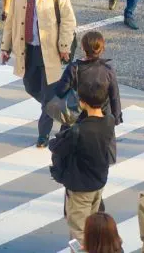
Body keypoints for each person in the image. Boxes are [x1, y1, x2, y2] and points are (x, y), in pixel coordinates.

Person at [1, 0, 78, 147]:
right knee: (32, 87)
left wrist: (64, 46)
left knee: (48, 96)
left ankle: (43, 135)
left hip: (51, 52)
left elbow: (68, 22)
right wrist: (5, 47)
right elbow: (10, 24)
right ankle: (66, 114)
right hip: (29, 52)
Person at [50, 80, 116, 243]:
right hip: (98, 182)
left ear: (82, 102)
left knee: (79, 232)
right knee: (93, 227)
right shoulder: (109, 121)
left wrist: (68, 125)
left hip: (80, 187)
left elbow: (57, 147)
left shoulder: (79, 130)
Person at [47, 30, 123, 129]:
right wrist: (116, 119)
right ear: (102, 48)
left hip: (78, 118)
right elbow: (115, 97)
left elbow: (60, 91)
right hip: (102, 118)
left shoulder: (74, 68)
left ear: (83, 47)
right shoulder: (108, 70)